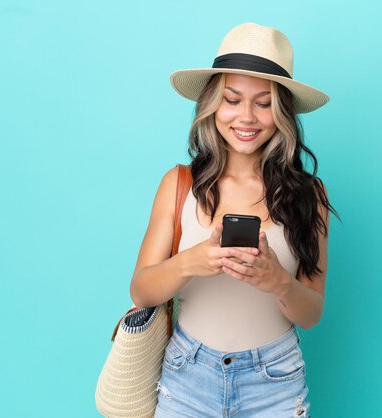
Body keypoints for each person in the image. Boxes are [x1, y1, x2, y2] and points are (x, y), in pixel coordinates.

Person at [129, 22, 336, 418]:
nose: (247, 117)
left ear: (282, 113)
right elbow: (141, 291)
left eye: (263, 102)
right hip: (186, 377)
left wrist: (277, 280)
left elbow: (311, 314)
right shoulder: (179, 185)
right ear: (212, 104)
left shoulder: (310, 196)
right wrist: (194, 261)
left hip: (275, 383)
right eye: (232, 99)